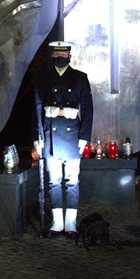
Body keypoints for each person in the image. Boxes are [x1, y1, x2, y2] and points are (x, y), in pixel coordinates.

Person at [33, 41, 93, 239]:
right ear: (51, 56)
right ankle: (57, 223)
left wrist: (84, 137)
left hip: (72, 136)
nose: (60, 56)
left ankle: (71, 224)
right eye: (56, 52)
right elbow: (37, 108)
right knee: (54, 182)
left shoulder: (79, 78)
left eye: (63, 52)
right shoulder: (43, 79)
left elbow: (87, 109)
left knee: (72, 182)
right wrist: (38, 136)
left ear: (69, 56)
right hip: (51, 136)